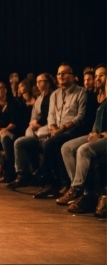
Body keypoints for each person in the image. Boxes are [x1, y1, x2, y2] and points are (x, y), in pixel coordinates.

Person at [57, 65, 106, 213]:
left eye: (101, 75)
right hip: (96, 134)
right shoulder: (98, 97)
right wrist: (93, 134)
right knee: (66, 147)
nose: (97, 78)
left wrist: (101, 135)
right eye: (96, 76)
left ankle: (78, 189)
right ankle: (80, 188)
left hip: (104, 136)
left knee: (84, 150)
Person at [34, 64, 87, 199]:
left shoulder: (81, 92)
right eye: (58, 74)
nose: (60, 76)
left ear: (73, 76)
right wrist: (52, 128)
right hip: (56, 129)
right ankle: (60, 183)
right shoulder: (54, 94)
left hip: (73, 129)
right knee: (51, 142)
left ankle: (50, 182)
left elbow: (80, 116)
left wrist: (62, 129)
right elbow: (50, 115)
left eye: (64, 73)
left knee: (51, 143)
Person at [8, 73, 54, 189]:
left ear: (47, 83)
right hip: (37, 129)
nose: (38, 84)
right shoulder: (39, 98)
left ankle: (39, 172)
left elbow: (52, 116)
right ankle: (22, 175)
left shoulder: (54, 96)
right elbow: (34, 116)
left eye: (41, 81)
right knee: (20, 142)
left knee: (39, 134)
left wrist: (38, 125)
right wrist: (33, 123)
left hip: (49, 127)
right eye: (37, 81)